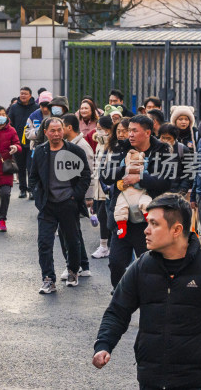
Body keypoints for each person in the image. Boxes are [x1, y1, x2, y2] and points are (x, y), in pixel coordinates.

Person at [93, 193, 201, 390]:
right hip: (151, 378)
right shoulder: (142, 267)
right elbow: (118, 311)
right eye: (147, 223)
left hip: (196, 380)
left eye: (154, 224)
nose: (146, 231)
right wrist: (104, 344)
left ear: (176, 230)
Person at [101, 115, 172, 288]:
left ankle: (148, 298)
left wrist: (139, 178)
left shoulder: (162, 150)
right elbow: (106, 175)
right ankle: (121, 295)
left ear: (147, 132)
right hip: (122, 218)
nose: (130, 134)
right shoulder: (121, 147)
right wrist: (125, 169)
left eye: (134, 130)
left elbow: (166, 181)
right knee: (116, 263)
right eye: (128, 130)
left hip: (147, 220)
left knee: (149, 265)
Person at [28, 117, 91, 293]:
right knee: (44, 243)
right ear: (46, 132)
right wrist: (39, 197)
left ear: (63, 130)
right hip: (47, 205)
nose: (56, 134)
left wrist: (75, 196)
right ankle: (48, 279)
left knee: (72, 240)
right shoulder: (40, 152)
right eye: (52, 130)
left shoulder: (75, 150)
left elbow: (85, 175)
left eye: (59, 130)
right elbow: (33, 177)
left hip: (68, 204)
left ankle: (73, 271)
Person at [59, 113, 94, 278]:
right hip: (73, 195)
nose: (59, 131)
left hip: (75, 196)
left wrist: (86, 197)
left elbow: (89, 174)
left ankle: (74, 265)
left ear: (69, 128)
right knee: (74, 232)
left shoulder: (81, 147)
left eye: (61, 127)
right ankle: (83, 265)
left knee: (68, 232)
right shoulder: (71, 144)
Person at [8, 86, 39, 198]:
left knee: (30, 167)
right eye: (21, 93)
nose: (23, 95)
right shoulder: (14, 107)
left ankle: (31, 189)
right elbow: (9, 123)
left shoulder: (36, 107)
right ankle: (22, 189)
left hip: (32, 142)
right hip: (18, 142)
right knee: (20, 167)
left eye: (25, 94)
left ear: (30, 95)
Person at [91, 116, 114, 259]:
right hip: (98, 185)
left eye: (102, 128)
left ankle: (105, 246)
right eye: (98, 128)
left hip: (108, 186)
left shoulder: (114, 144)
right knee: (101, 215)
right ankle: (106, 244)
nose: (99, 130)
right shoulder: (99, 143)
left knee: (106, 216)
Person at [157, 123, 193, 197]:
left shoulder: (182, 149)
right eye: (163, 137)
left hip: (176, 193)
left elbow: (188, 172)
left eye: (168, 138)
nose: (165, 141)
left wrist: (182, 191)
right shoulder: (154, 148)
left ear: (175, 138)